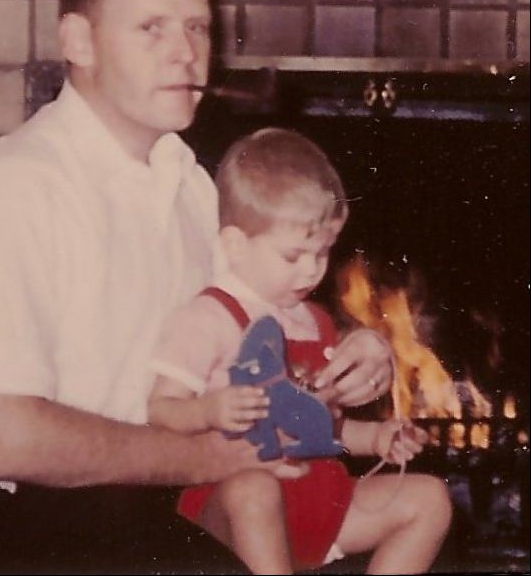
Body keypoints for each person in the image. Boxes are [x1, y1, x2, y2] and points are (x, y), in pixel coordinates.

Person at [0, 0, 395, 575]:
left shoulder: (185, 182)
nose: (186, 54)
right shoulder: (18, 186)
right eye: (152, 28)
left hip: (145, 502)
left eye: (197, 28)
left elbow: (250, 327)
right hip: (15, 524)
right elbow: (6, 437)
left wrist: (361, 351)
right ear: (78, 42)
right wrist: (213, 459)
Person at [148, 128, 453, 575]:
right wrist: (210, 411)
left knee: (430, 499)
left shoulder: (316, 322)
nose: (311, 270)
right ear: (235, 245)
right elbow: (160, 409)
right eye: (293, 256)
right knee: (255, 491)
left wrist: (377, 439)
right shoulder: (209, 317)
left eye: (323, 252)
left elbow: (325, 423)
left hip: (318, 504)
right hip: (235, 507)